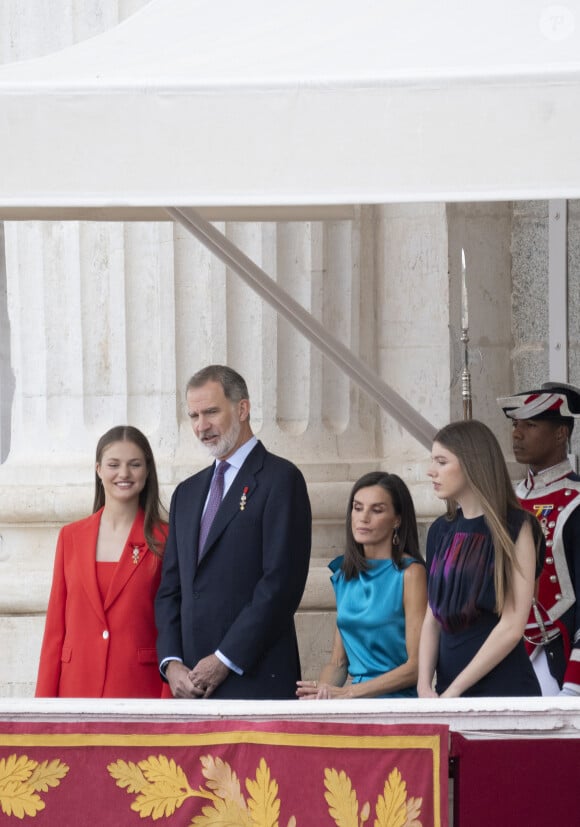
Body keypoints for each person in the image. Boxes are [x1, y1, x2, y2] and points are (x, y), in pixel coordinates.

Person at [155, 365, 312, 700]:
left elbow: (280, 585)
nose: (201, 426)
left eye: (211, 411)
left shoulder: (281, 480)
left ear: (242, 408)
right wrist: (171, 663)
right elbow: (171, 589)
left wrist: (225, 659)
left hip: (255, 680)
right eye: (194, 415)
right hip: (191, 688)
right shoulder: (186, 493)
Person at [36, 426, 168, 697]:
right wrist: (44, 708)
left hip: (140, 690)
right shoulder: (71, 537)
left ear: (147, 470)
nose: (124, 474)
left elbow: (172, 625)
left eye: (134, 464)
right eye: (113, 465)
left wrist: (170, 703)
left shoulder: (165, 537)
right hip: (75, 689)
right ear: (98, 469)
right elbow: (55, 631)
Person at [417, 420, 545, 698]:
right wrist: (423, 685)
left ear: (471, 463)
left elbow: (512, 625)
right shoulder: (440, 529)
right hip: (446, 690)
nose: (431, 471)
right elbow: (432, 618)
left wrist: (454, 692)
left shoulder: (517, 526)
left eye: (441, 461)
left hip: (501, 689)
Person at [297, 472, 427, 700]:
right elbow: (337, 663)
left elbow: (417, 667)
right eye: (357, 508)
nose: (363, 518)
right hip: (353, 703)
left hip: (396, 704)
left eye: (376, 510)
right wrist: (321, 694)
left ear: (397, 519)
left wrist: (349, 692)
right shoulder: (344, 574)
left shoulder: (411, 573)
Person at [498, 382, 580, 696]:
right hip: (503, 655)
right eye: (516, 425)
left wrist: (574, 683)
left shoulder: (576, 501)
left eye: (530, 425)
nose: (517, 434)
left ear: (561, 434)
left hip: (556, 658)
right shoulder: (507, 499)